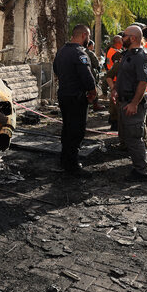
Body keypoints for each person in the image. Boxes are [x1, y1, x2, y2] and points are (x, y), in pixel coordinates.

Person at [53, 24, 97, 178]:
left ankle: (65, 160)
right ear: (84, 35)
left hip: (64, 95)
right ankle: (72, 165)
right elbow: (87, 76)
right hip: (76, 97)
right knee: (76, 131)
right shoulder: (79, 53)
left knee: (67, 128)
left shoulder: (62, 51)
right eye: (89, 36)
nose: (89, 39)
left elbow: (56, 70)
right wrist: (93, 92)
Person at [110, 25, 147, 181]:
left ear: (133, 38)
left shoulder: (141, 56)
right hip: (125, 100)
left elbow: (143, 82)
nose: (122, 38)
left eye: (125, 36)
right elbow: (122, 76)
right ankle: (141, 164)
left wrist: (134, 103)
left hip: (134, 103)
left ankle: (143, 171)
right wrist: (115, 89)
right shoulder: (128, 54)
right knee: (129, 137)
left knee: (134, 138)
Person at [105, 35, 123, 130]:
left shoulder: (110, 50)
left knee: (113, 103)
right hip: (115, 79)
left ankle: (113, 120)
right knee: (115, 104)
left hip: (112, 78)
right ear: (118, 43)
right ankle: (114, 122)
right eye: (121, 42)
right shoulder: (116, 53)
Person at [86, 40, 102, 111]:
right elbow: (96, 64)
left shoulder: (79, 51)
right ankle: (95, 105)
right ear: (90, 45)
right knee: (94, 88)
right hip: (91, 73)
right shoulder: (90, 53)